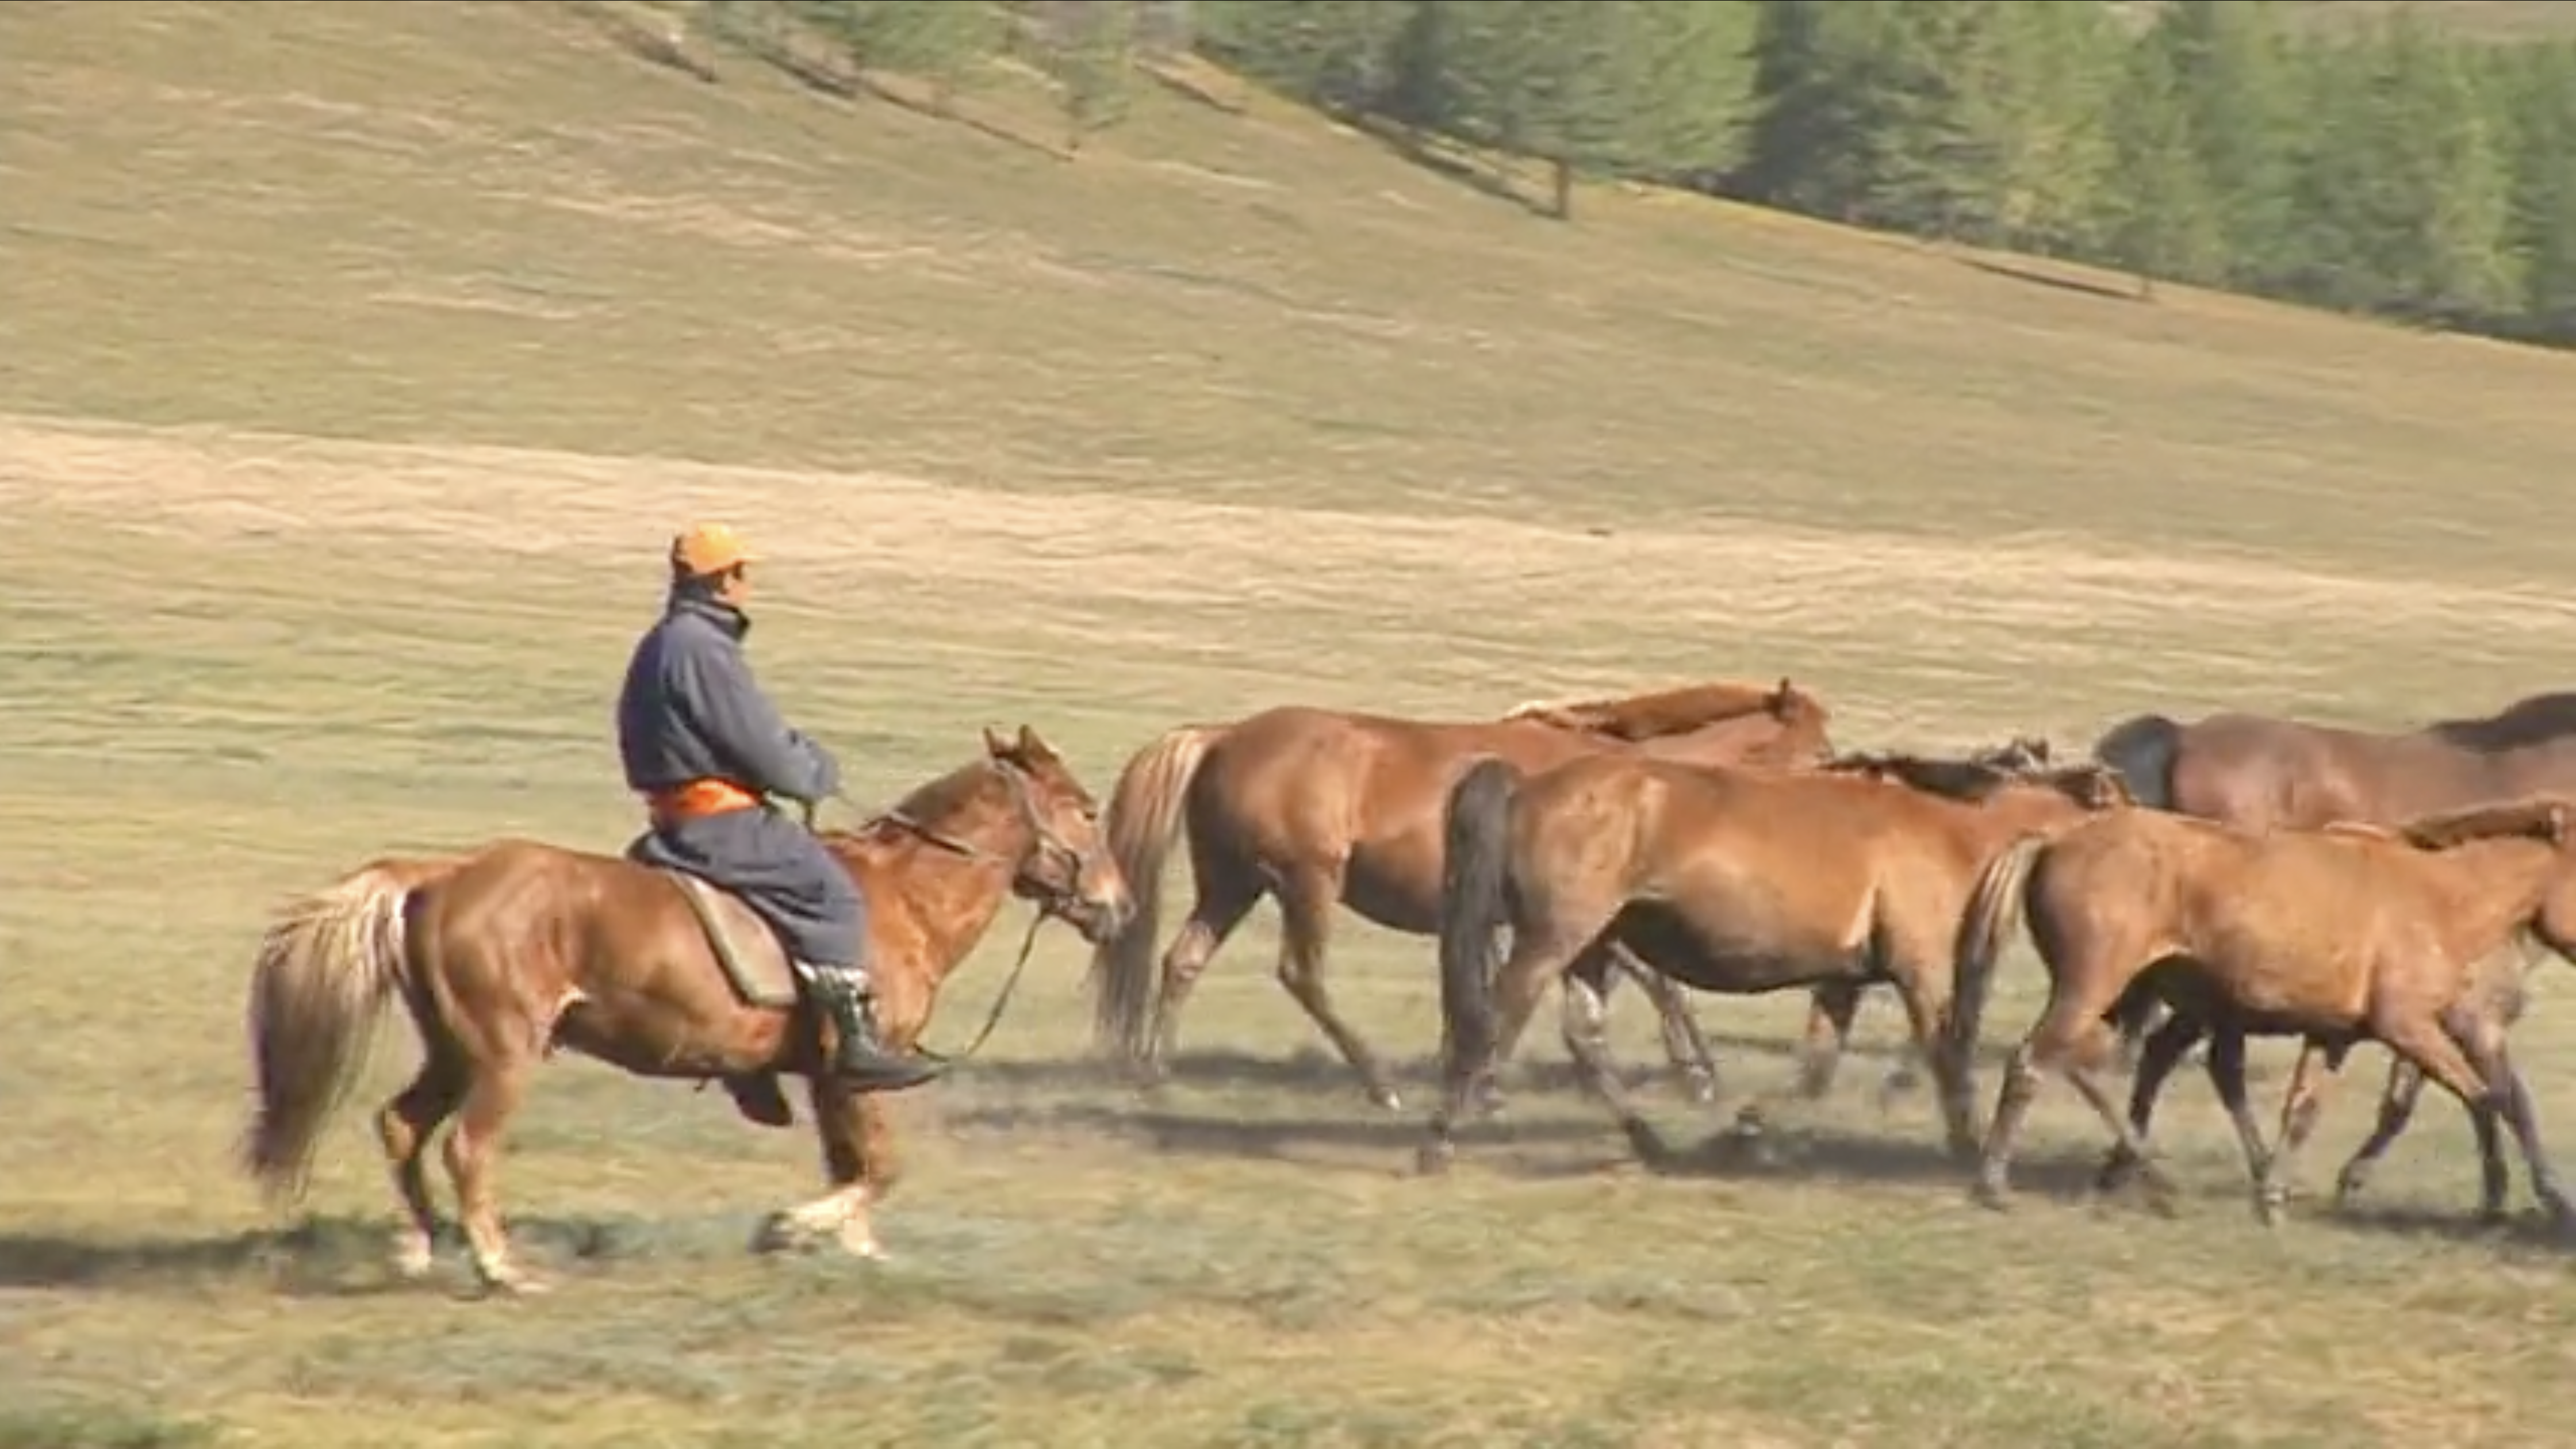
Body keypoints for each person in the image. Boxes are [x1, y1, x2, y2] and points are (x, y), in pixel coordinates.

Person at [615, 522, 937, 1094]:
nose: (748, 584)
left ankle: (754, 1052)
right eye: (743, 573)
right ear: (724, 580)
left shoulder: (664, 641)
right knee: (832, 893)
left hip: (675, 814)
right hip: (719, 823)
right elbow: (758, 744)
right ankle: (857, 1045)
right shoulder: (702, 649)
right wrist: (811, 773)